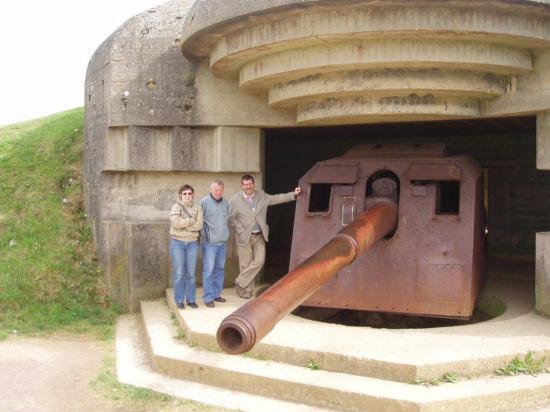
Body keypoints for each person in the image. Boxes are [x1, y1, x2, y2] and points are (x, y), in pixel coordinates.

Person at [229, 174, 301, 299]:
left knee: (259, 261)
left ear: (253, 184)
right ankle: (245, 290)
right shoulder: (235, 200)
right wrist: (241, 230)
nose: (248, 186)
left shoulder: (261, 195)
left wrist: (293, 194)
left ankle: (239, 281)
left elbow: (276, 198)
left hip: (259, 235)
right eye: (245, 185)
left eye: (250, 184)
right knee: (245, 264)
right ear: (242, 186)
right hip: (244, 237)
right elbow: (231, 219)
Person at [169, 184, 203, 309]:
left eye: (189, 193)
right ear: (180, 195)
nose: (187, 196)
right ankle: (179, 300)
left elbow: (199, 225)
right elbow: (175, 223)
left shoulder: (198, 208)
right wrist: (189, 222)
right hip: (178, 242)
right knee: (179, 273)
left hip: (192, 244)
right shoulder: (176, 207)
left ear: (192, 194)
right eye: (185, 194)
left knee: (190, 273)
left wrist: (184, 224)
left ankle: (191, 299)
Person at [200, 180, 230, 308]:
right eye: (216, 190)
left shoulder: (226, 203)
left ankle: (217, 294)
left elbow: (227, 219)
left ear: (223, 190)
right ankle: (208, 297)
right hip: (209, 244)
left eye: (220, 190)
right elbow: (198, 220)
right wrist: (204, 235)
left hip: (222, 242)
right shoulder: (203, 202)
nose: (218, 192)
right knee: (208, 270)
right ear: (211, 189)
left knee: (220, 269)